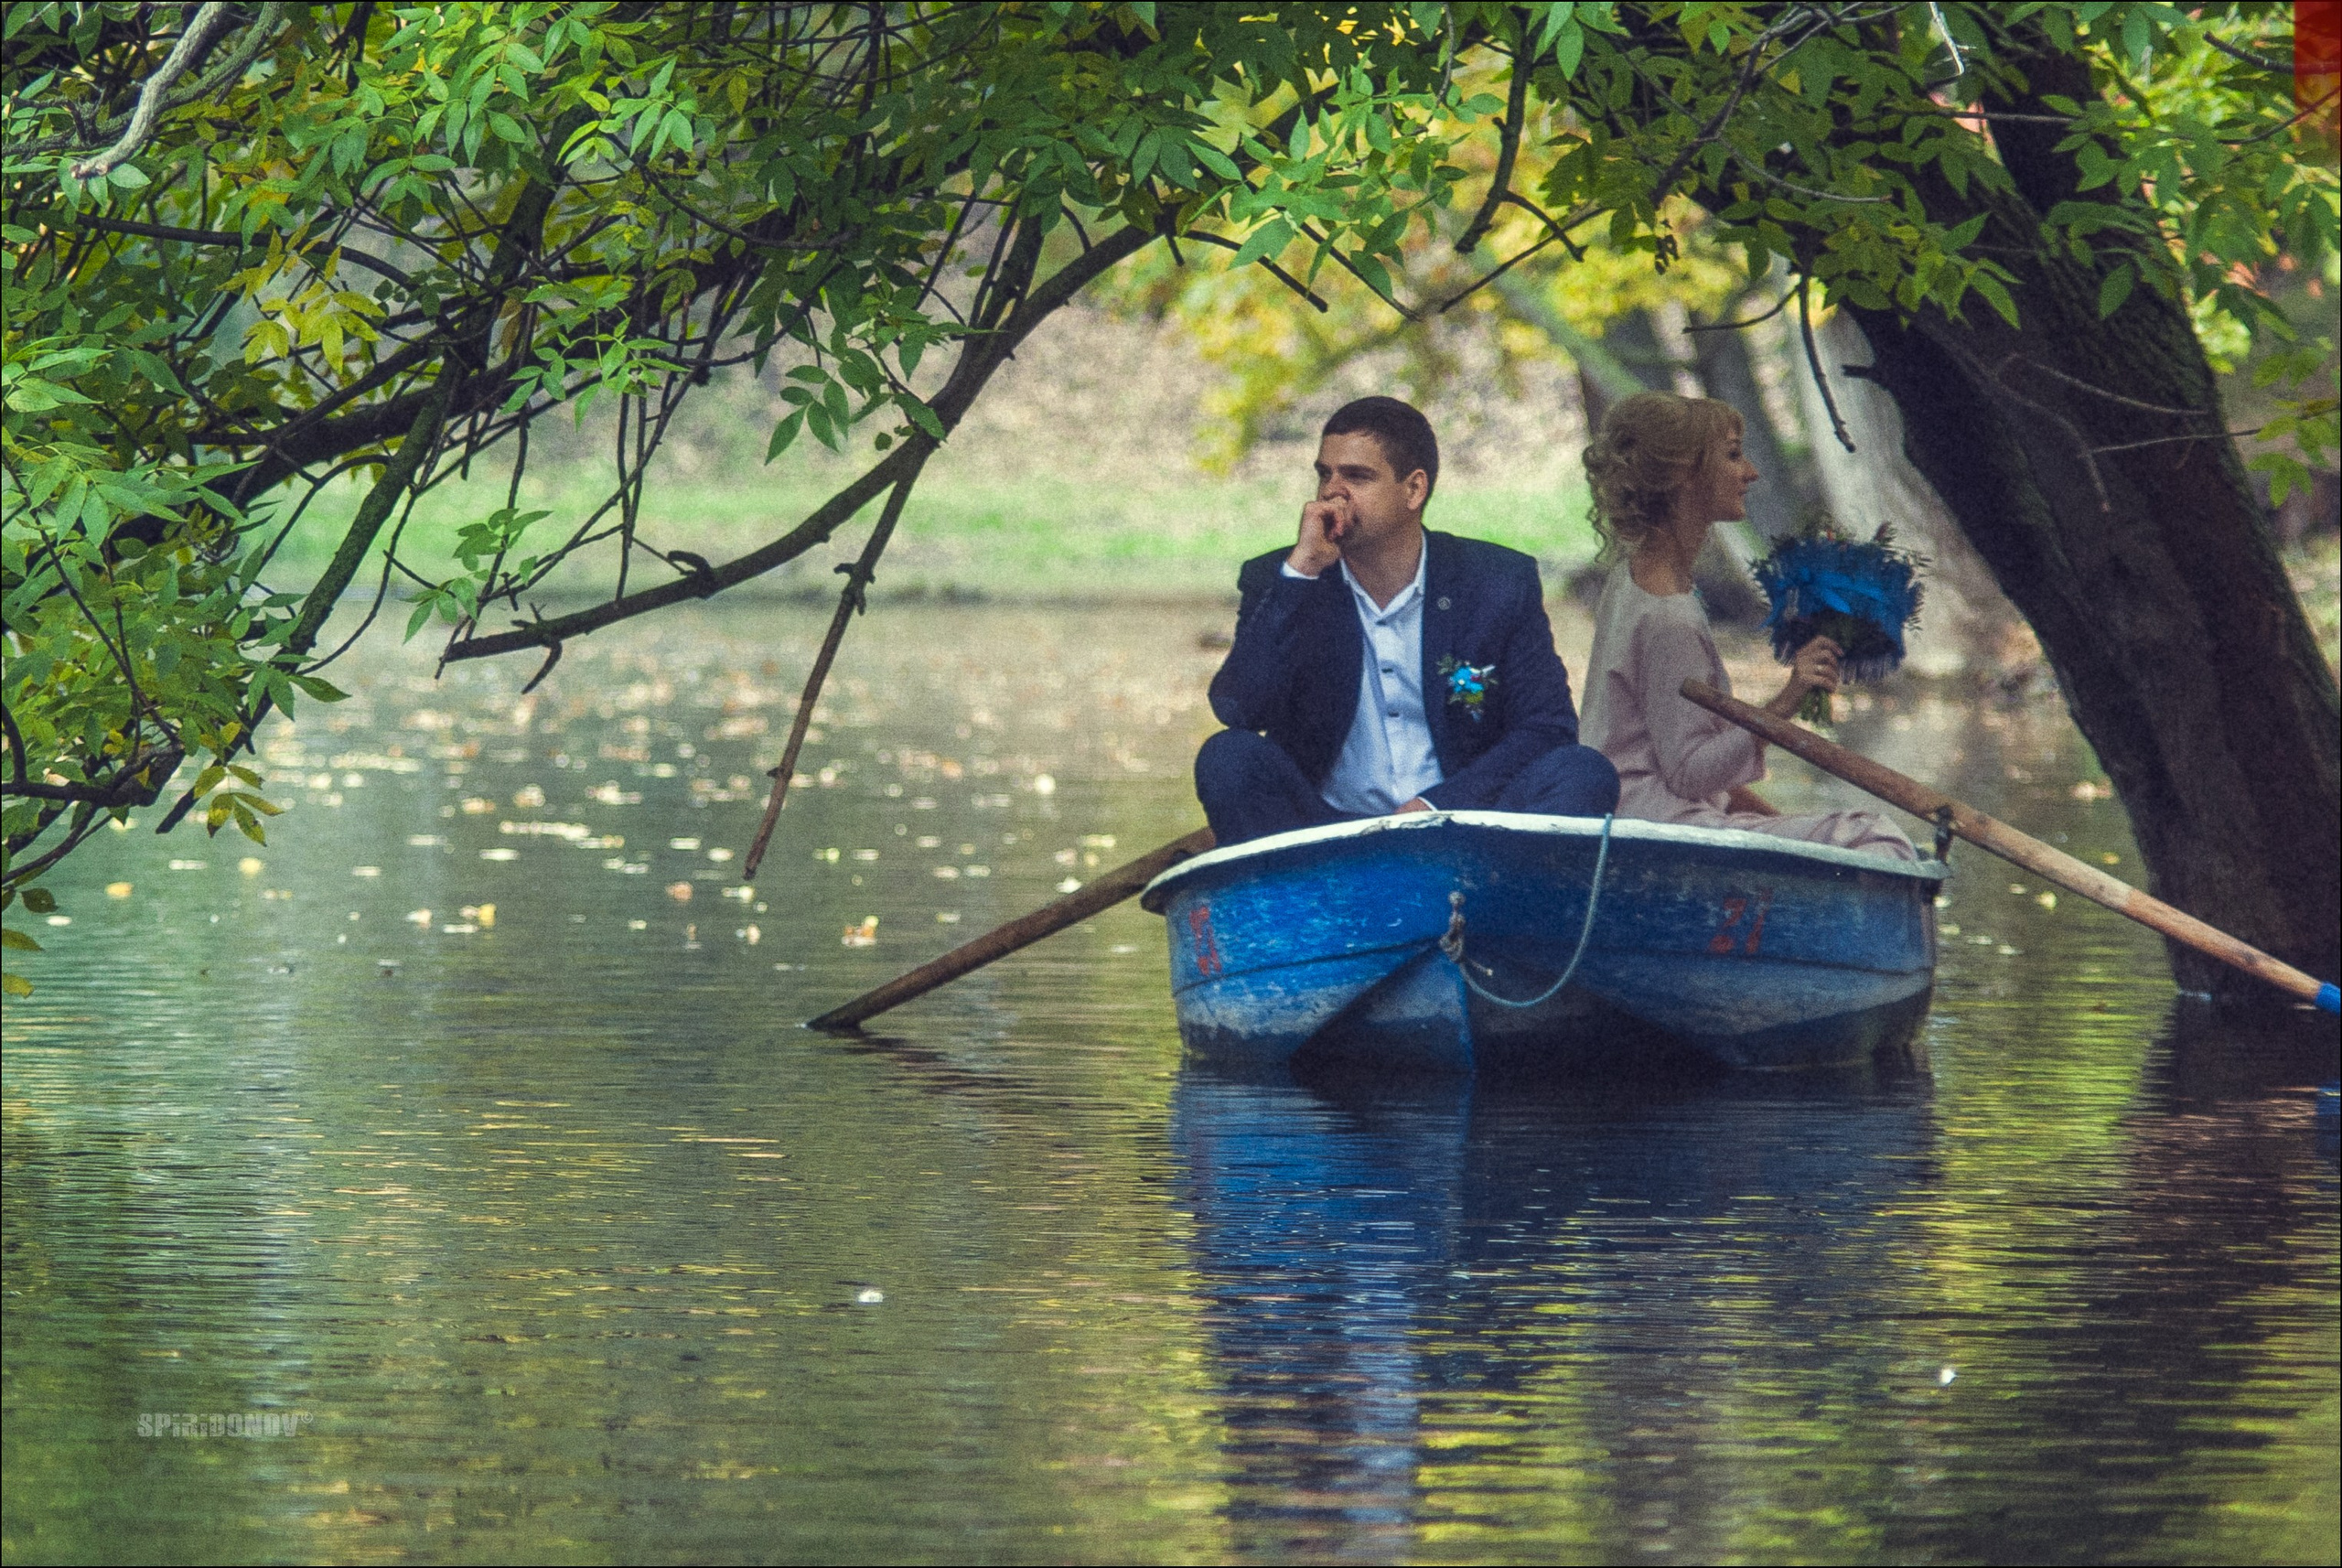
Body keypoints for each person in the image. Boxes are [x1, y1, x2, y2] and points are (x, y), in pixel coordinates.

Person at [1196, 396, 1620, 846]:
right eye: (1325, 474)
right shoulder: (1285, 578)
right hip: (1322, 833)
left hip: (1461, 822)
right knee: (1227, 757)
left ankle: (1501, 896)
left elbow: (1548, 727)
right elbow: (1239, 710)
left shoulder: (1495, 581)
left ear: (1414, 490)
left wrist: (1437, 806)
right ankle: (1295, 901)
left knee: (1584, 772)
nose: (1331, 493)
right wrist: (1299, 575)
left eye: (1357, 476)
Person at [1577, 391, 1917, 861]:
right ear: (1684, 476)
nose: (1751, 472)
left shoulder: (1632, 575)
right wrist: (1788, 698)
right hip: (1659, 831)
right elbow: (1691, 775)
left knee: (1846, 839)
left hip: (1637, 816)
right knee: (1877, 839)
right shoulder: (1668, 616)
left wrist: (1774, 825)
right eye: (1734, 455)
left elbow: (1676, 765)